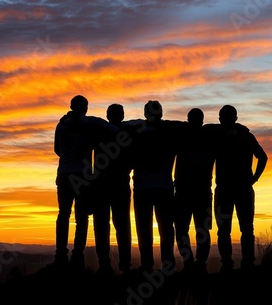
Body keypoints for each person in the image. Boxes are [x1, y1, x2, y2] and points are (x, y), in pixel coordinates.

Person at [53, 95, 118, 272]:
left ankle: (60, 255)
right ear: (85, 108)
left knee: (63, 214)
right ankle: (77, 256)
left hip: (64, 173)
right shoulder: (89, 123)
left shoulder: (61, 125)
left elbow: (57, 149)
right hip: (81, 175)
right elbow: (114, 130)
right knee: (81, 218)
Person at [130, 100, 185, 273]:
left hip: (144, 189)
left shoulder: (136, 131)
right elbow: (187, 125)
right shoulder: (171, 132)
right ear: (161, 113)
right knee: (166, 229)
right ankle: (167, 266)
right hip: (163, 188)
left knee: (145, 229)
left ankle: (148, 266)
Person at [213, 105, 268, 272]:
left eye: (223, 117)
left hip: (227, 190)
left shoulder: (218, 135)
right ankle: (246, 264)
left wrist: (253, 179)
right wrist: (254, 179)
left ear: (222, 118)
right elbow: (263, 157)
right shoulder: (246, 136)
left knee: (225, 230)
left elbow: (263, 157)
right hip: (241, 188)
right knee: (245, 228)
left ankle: (229, 265)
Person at [91, 104, 135, 275]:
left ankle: (108, 265)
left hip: (107, 184)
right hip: (115, 184)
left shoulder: (99, 131)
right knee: (119, 225)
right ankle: (120, 266)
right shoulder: (127, 132)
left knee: (105, 225)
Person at [174, 108, 215, 274]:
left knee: (185, 230)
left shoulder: (182, 136)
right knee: (200, 231)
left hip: (189, 192)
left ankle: (193, 263)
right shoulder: (211, 136)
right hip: (199, 192)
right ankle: (197, 264)